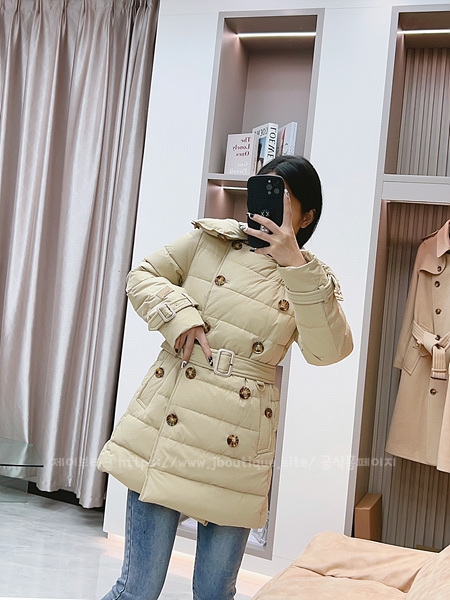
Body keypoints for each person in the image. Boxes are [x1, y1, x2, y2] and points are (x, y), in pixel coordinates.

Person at [97, 155, 353, 600]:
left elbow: (328, 351)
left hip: (239, 446)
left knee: (216, 593)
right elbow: (143, 276)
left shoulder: (309, 280)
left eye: (282, 196)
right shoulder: (211, 241)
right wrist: (180, 317)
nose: (265, 204)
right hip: (170, 430)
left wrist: (294, 264)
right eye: (262, 189)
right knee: (137, 589)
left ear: (307, 216)